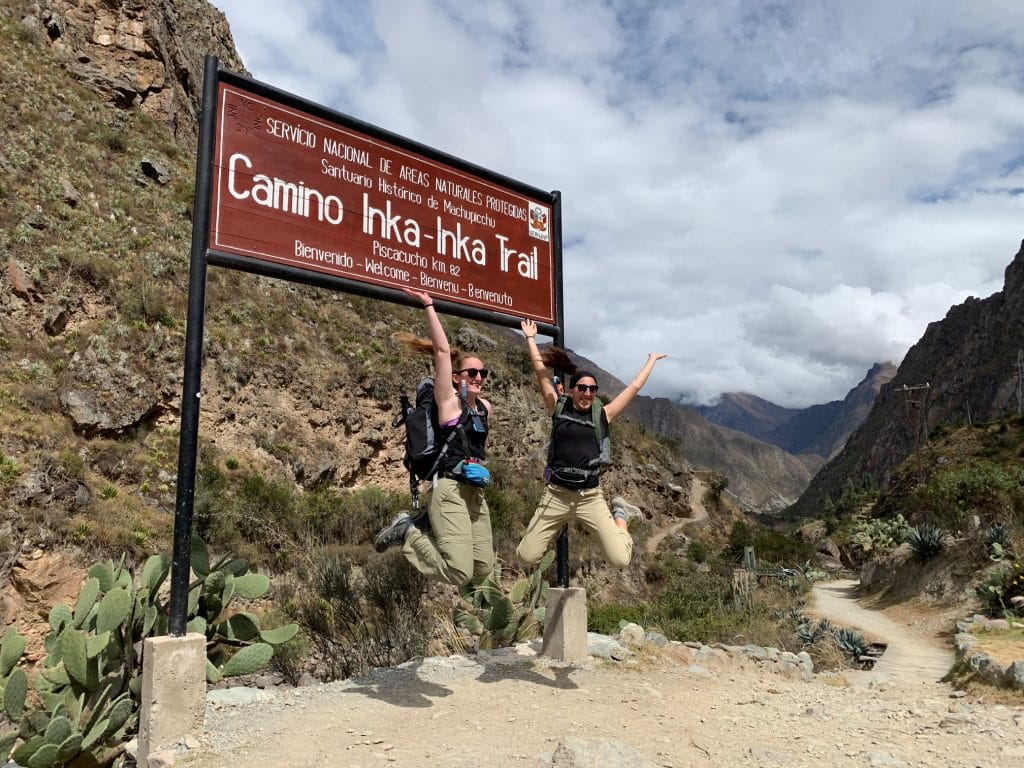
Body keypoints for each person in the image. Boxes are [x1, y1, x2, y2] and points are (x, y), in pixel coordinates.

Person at [516, 319, 666, 569]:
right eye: (582, 388)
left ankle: (621, 515)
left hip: (590, 497)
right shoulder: (557, 407)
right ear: (572, 390)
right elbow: (540, 372)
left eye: (592, 389)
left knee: (620, 559)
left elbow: (634, 387)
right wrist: (530, 338)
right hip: (557, 495)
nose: (587, 393)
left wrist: (651, 360)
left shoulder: (603, 415)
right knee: (526, 557)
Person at [374, 288, 495, 586]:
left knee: (482, 569)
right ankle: (408, 531)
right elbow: (442, 352)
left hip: (475, 493)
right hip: (450, 489)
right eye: (471, 373)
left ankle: (419, 525)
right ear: (456, 378)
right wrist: (429, 305)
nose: (478, 378)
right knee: (459, 571)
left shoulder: (485, 408)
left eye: (483, 373)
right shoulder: (449, 404)